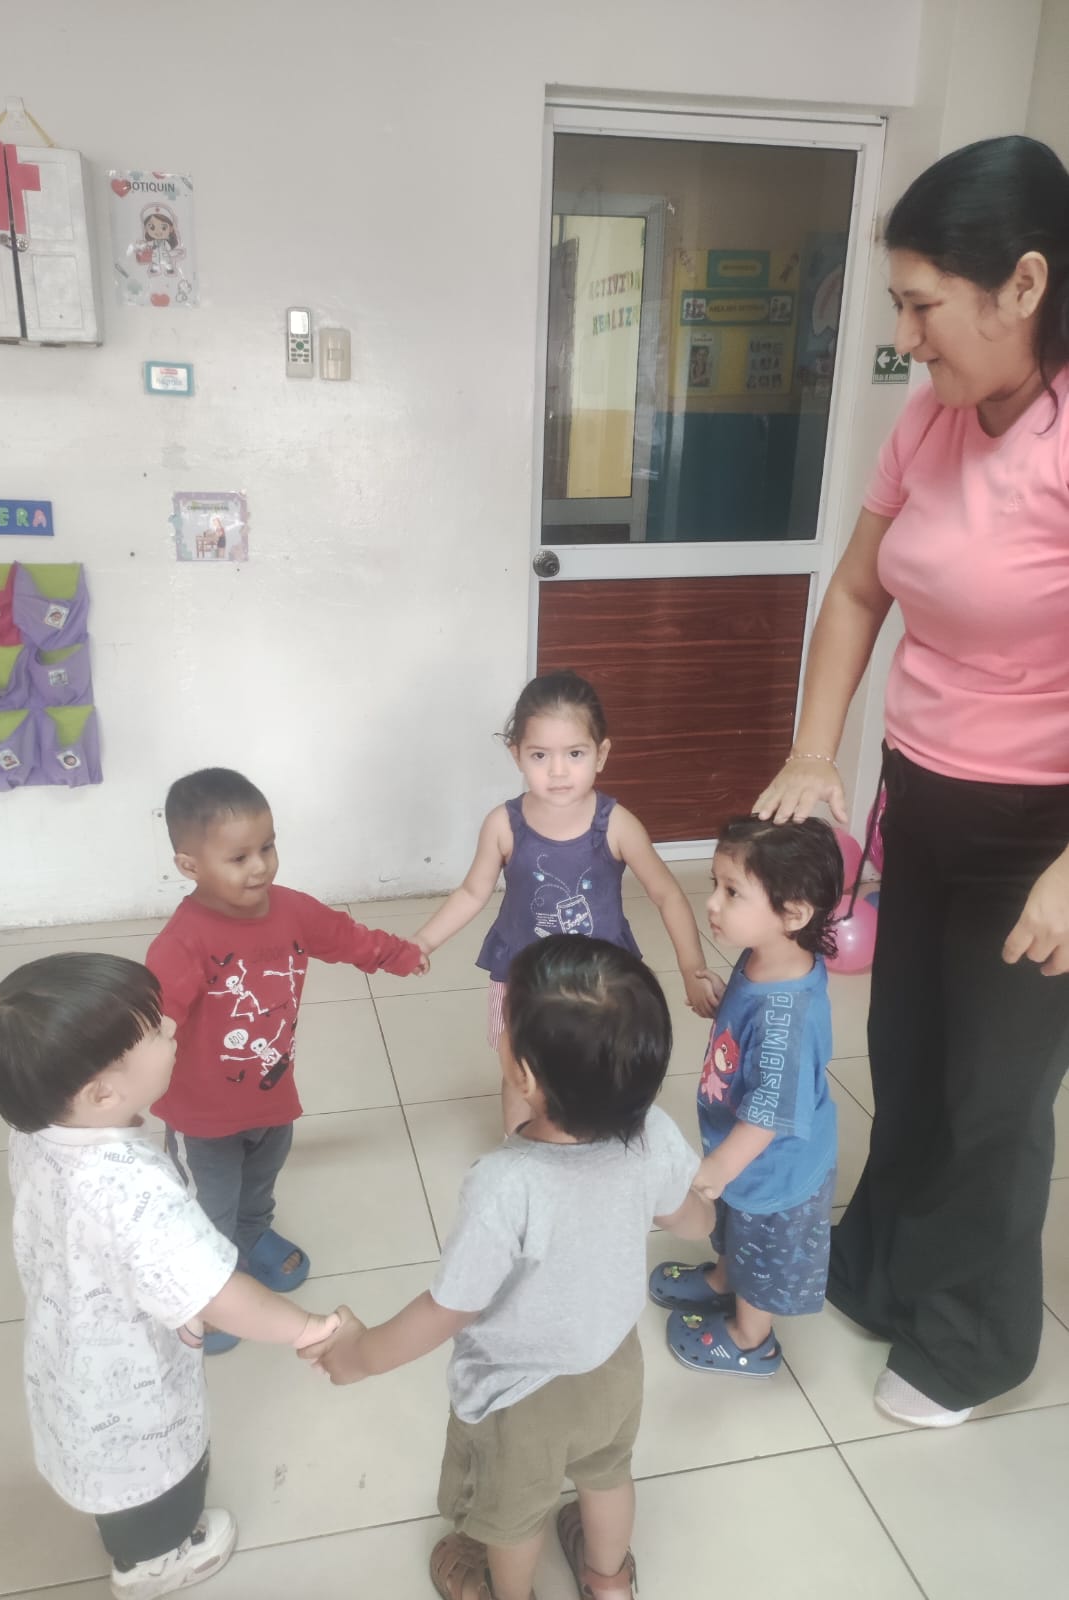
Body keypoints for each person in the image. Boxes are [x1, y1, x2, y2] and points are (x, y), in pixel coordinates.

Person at [754, 135, 1069, 1427]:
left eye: (923, 304)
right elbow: (855, 590)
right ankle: (884, 1268)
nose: (904, 336)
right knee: (909, 1052)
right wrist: (814, 749)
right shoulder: (929, 417)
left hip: (1042, 834)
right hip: (922, 793)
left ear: (1024, 286)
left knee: (995, 1095)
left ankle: (971, 1342)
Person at [300, 935, 713, 1600]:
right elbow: (690, 1219)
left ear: (523, 1074)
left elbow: (449, 1307)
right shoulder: (653, 1133)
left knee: (512, 1515)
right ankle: (609, 1582)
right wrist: (704, 1208)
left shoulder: (506, 1184)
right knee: (607, 1473)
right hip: (612, 1364)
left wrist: (360, 1355)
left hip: (516, 1396)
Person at [0, 951, 343, 1600]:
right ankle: (155, 1563)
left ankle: (132, 1531)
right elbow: (219, 1293)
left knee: (111, 1474)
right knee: (156, 1482)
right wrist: (309, 1327)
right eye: (154, 1030)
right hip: (132, 1384)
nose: (173, 1028)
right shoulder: (131, 1192)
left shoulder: (34, 1130)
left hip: (69, 1353)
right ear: (101, 1093)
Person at [146, 767, 426, 1354]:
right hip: (201, 1117)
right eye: (238, 857)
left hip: (271, 1096)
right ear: (189, 865)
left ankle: (252, 1235)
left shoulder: (291, 911)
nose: (259, 867)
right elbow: (156, 1021)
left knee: (260, 1181)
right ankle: (209, 1287)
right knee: (207, 1207)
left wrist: (397, 955)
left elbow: (347, 937)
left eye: (267, 848)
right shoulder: (182, 941)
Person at [414, 671, 725, 1128]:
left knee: (598, 1066)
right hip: (521, 978)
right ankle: (521, 1147)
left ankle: (595, 1146)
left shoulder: (616, 824)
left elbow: (667, 894)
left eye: (575, 754)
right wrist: (423, 942)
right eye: (540, 755)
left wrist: (691, 968)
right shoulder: (503, 824)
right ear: (517, 754)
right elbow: (472, 892)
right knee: (521, 1069)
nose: (558, 771)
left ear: (601, 754)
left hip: (599, 983)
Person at [649, 816, 843, 1378]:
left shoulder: (787, 1016)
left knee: (760, 1251)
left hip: (771, 1168)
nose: (712, 903)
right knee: (734, 1228)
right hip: (741, 1153)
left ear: (794, 913)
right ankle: (721, 1279)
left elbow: (767, 1114)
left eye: (732, 892)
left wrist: (716, 1170)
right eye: (716, 884)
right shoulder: (767, 956)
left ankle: (749, 1339)